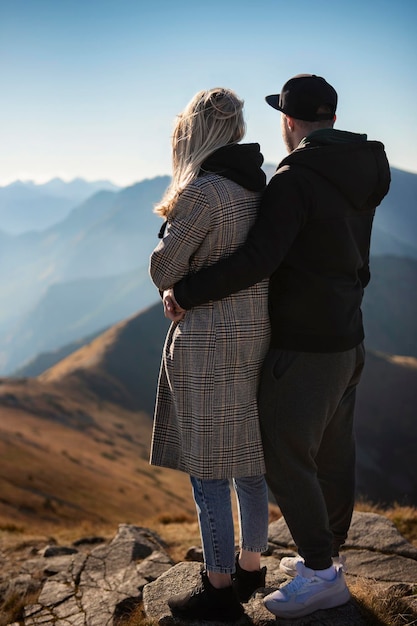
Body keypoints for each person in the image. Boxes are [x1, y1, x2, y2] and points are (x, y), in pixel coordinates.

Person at [164, 74, 391, 619]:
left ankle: (320, 573)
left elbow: (258, 260)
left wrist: (187, 292)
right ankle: (326, 557)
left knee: (286, 458)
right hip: (349, 336)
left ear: (289, 121)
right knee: (335, 453)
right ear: (332, 116)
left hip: (304, 345)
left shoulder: (294, 178)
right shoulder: (364, 168)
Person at [148, 87, 271, 621]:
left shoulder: (202, 193)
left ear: (194, 134)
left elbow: (162, 270)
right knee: (248, 459)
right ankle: (251, 566)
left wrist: (165, 228)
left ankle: (218, 584)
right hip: (253, 336)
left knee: (208, 469)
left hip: (205, 343)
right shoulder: (258, 188)